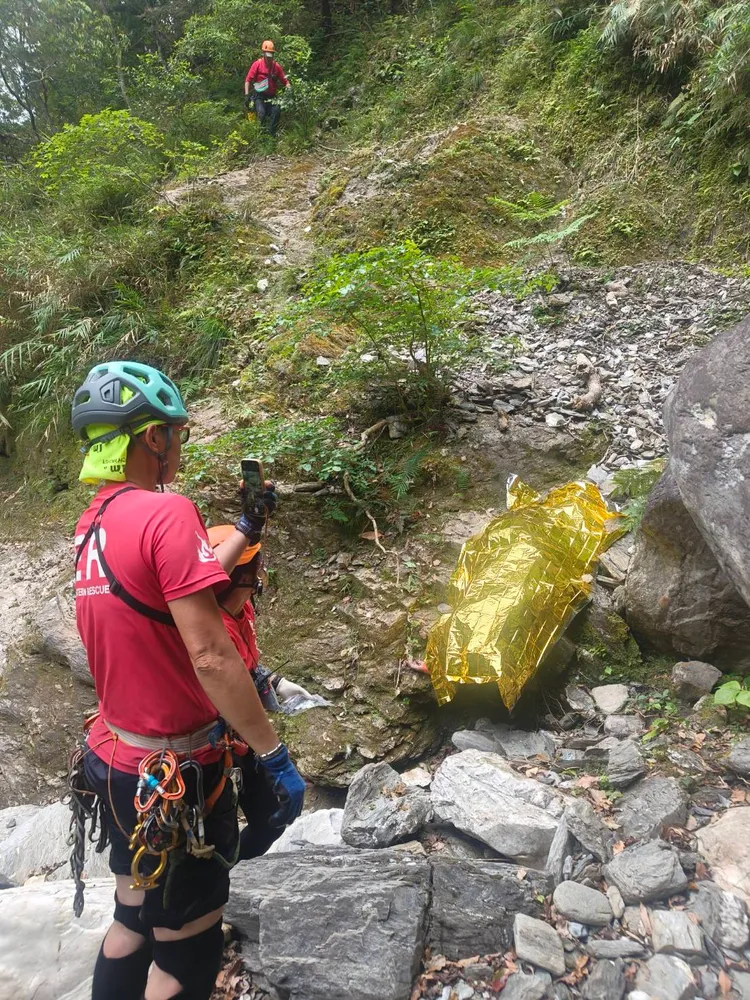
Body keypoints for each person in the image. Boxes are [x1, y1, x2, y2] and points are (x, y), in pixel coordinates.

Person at [70, 360, 305, 1000]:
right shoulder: (167, 510)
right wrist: (272, 753)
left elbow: (169, 584)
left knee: (132, 921)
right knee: (187, 955)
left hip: (118, 763)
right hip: (177, 777)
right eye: (176, 432)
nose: (178, 445)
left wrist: (247, 530)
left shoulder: (93, 523)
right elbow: (211, 655)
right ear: (152, 438)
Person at [207, 524, 316, 860]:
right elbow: (224, 683)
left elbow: (247, 665)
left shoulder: (243, 609)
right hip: (216, 745)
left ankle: (236, 869)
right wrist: (274, 757)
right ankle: (221, 875)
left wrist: (276, 682)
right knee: (215, 836)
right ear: (241, 574)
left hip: (243, 738)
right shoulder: (209, 628)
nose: (263, 571)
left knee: (272, 818)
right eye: (257, 564)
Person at [244, 40, 290, 136]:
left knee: (276, 111)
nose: (269, 59)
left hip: (272, 97)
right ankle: (260, 136)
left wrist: (289, 89)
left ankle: (271, 136)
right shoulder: (257, 64)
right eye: (267, 56)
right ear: (264, 54)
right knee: (261, 113)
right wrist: (247, 95)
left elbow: (285, 81)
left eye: (271, 56)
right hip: (259, 96)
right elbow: (248, 80)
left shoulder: (276, 67)